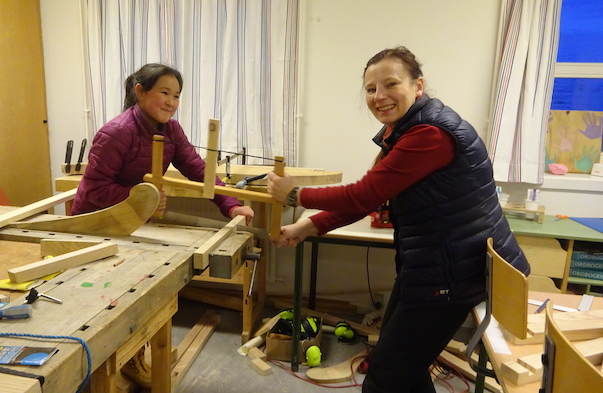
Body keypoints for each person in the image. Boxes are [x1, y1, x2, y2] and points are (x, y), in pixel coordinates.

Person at [267, 47, 529, 393]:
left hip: (451, 275)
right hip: (431, 267)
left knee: (388, 373)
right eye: (370, 89)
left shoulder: (429, 134)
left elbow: (363, 193)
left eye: (391, 84)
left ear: (418, 85)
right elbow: (371, 196)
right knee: (400, 367)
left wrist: (294, 195)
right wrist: (309, 225)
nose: (379, 96)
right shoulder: (405, 130)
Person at [72, 63, 254, 223]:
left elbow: (199, 170)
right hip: (94, 221)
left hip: (133, 218)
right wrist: (145, 198)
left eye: (176, 96)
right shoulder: (117, 132)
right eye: (165, 93)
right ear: (140, 92)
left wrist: (232, 207)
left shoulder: (172, 130)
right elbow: (94, 190)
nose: (171, 102)